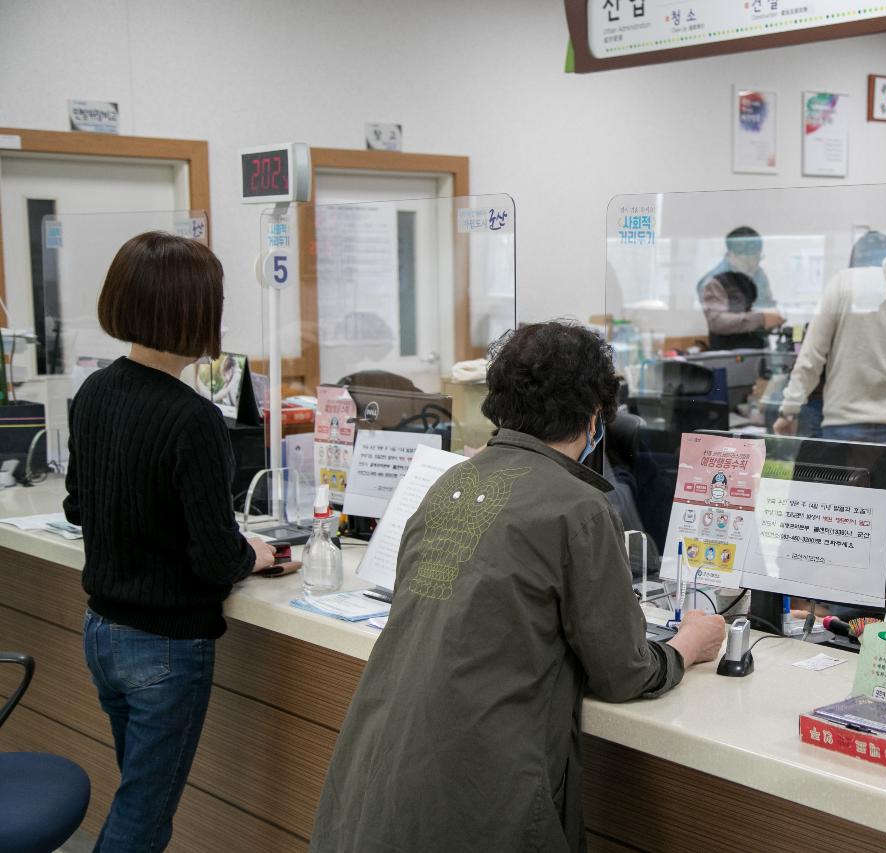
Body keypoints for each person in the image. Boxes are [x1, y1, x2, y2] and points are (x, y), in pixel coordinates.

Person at [310, 321, 727, 853]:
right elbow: (623, 671)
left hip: (376, 774)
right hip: (478, 792)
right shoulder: (578, 506)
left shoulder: (451, 482)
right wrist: (688, 645)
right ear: (594, 415)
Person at [65, 232, 277, 851]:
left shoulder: (94, 392)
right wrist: (253, 554)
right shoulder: (193, 419)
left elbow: (80, 504)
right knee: (142, 818)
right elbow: (215, 559)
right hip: (165, 646)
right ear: (194, 314)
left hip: (102, 632)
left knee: (138, 792)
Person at [773, 210, 886, 552]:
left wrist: (789, 408)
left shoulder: (846, 282)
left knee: (837, 533)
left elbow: (812, 355)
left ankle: (835, 607)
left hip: (844, 430)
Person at [697, 226, 784, 349]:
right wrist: (761, 319)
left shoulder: (758, 274)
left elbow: (766, 305)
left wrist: (775, 315)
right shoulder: (712, 281)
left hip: (759, 349)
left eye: (759, 256)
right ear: (733, 254)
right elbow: (717, 322)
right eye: (753, 258)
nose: (756, 263)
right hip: (729, 353)